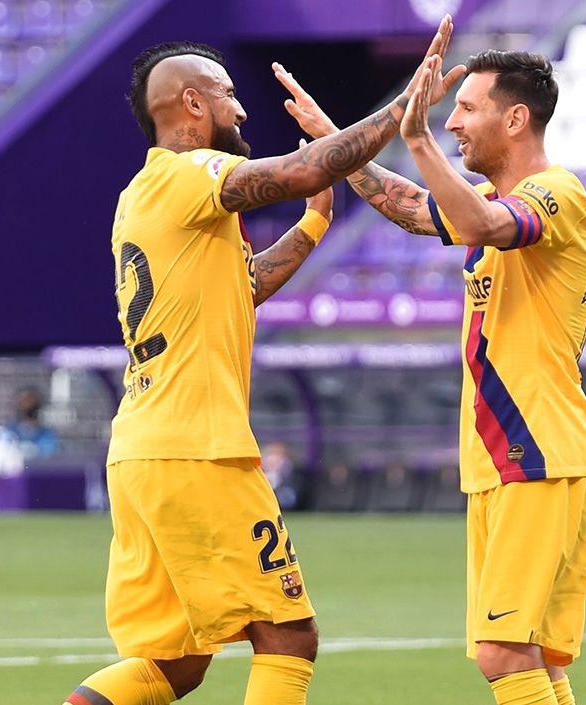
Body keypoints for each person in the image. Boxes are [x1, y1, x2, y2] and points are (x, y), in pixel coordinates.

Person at [62, 19, 455, 705]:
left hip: (143, 449)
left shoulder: (143, 196)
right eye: (227, 94)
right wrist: (404, 108)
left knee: (176, 664)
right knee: (288, 635)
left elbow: (240, 287)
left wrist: (310, 228)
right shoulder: (191, 172)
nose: (241, 109)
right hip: (197, 449)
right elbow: (301, 167)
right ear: (190, 104)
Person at [278, 49, 586, 705]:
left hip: (535, 450)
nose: (452, 120)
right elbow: (412, 206)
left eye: (466, 107)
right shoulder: (489, 197)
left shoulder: (554, 193)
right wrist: (338, 148)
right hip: (513, 457)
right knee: (531, 653)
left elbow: (482, 225)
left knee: (503, 651)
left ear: (516, 119)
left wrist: (417, 139)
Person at [0, 386, 59, 459]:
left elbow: (50, 454)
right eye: (22, 401)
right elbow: (2, 452)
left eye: (29, 400)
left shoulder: (47, 434)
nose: (26, 405)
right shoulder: (7, 432)